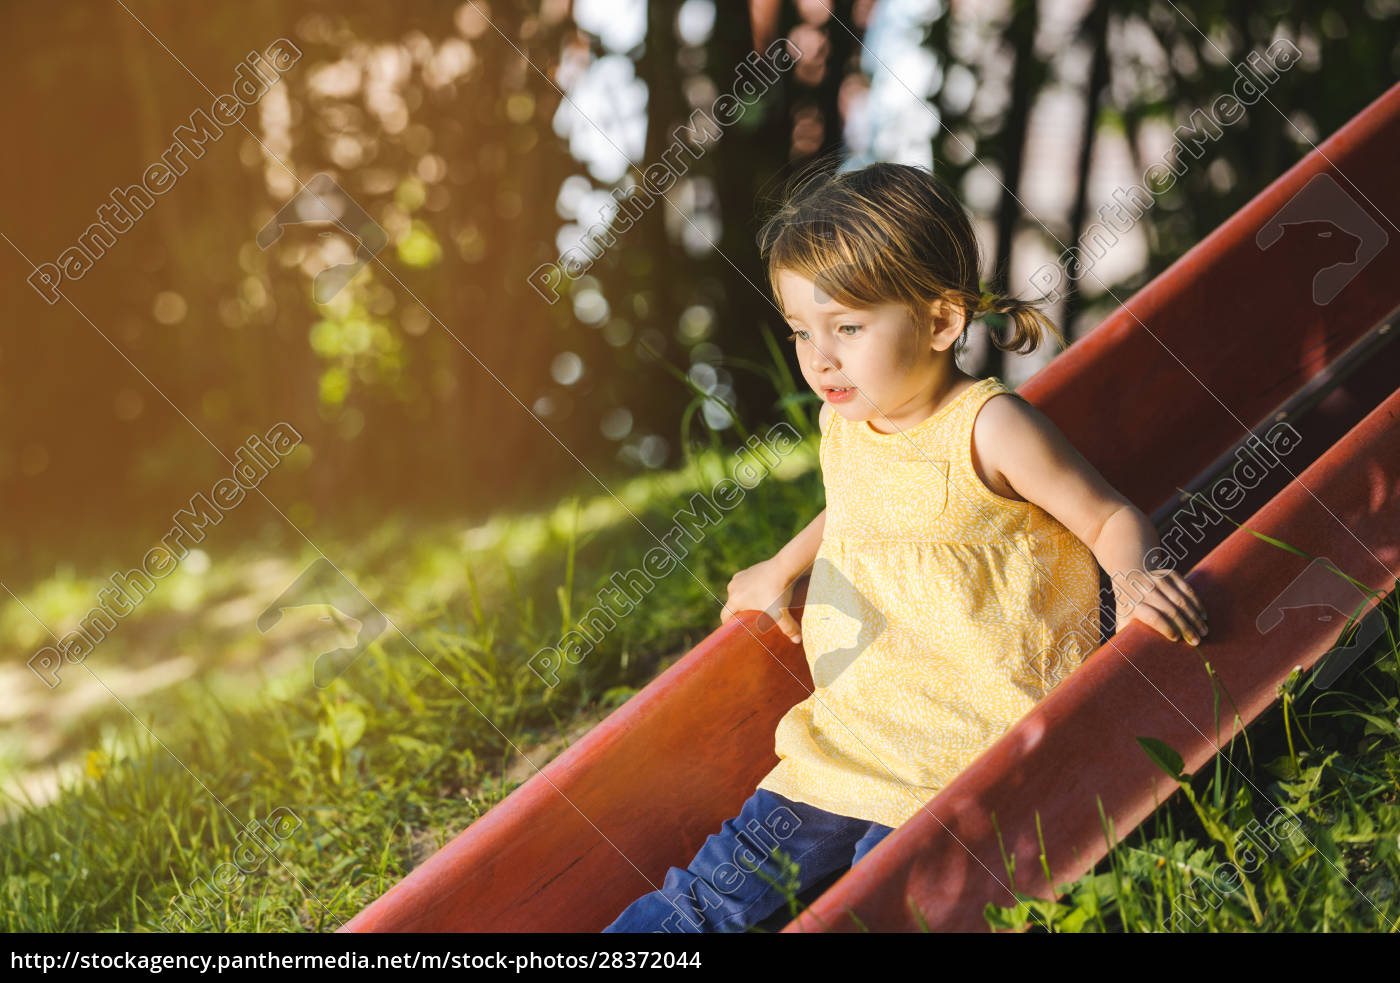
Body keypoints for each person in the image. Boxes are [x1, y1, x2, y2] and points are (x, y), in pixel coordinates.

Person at [601, 160, 1208, 934]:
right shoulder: (846, 422)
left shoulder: (990, 428)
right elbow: (856, 506)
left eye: (847, 328)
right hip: (853, 735)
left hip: (974, 751)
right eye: (801, 332)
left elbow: (1108, 517)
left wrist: (1137, 577)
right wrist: (782, 566)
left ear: (941, 321)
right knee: (707, 895)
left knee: (881, 906)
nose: (819, 358)